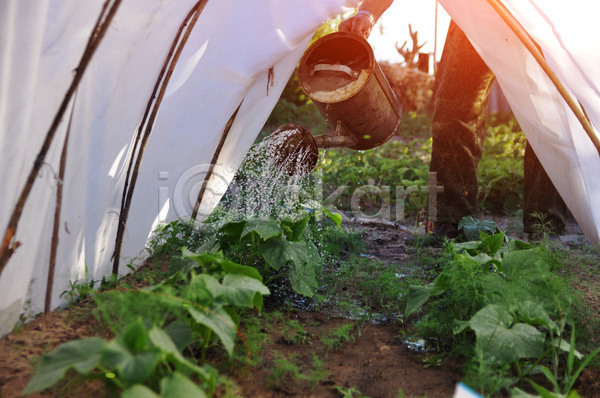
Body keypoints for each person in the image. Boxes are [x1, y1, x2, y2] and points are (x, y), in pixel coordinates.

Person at [339, 0, 568, 239]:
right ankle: (450, 221)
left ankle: (545, 226)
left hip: (541, 10)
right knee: (455, 110)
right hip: (477, 10)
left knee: (551, 114)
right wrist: (368, 12)